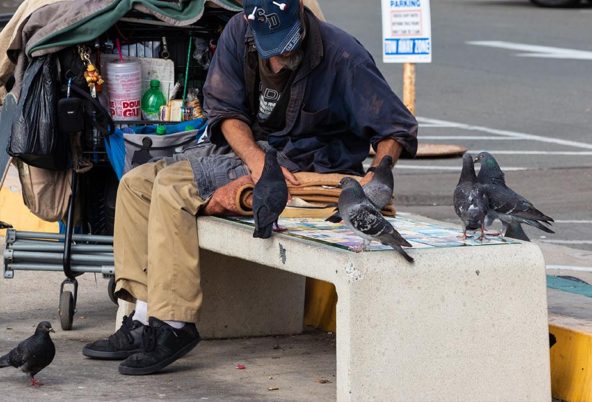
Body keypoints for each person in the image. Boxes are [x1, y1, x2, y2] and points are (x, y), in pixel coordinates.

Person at [82, 0, 418, 375]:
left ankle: (174, 324)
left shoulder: (343, 54)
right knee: (136, 183)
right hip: (251, 153)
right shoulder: (239, 32)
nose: (276, 59)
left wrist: (380, 171)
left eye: (285, 46)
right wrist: (257, 163)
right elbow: (224, 111)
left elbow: (396, 128)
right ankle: (143, 317)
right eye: (268, 47)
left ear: (301, 22)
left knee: (173, 186)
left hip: (302, 166)